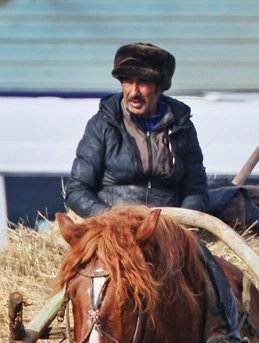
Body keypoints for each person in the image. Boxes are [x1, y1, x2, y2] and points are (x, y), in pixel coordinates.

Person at [65, 43, 209, 218]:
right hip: (111, 227)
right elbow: (76, 189)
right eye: (128, 81)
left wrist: (180, 225)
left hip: (166, 226)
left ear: (161, 87)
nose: (134, 92)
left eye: (143, 83)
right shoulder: (102, 124)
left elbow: (196, 191)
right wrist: (108, 219)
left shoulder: (182, 127)